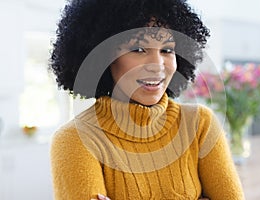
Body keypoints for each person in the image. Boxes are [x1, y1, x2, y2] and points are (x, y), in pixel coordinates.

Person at [49, 0, 245, 199]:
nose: (157, 65)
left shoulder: (199, 124)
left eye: (167, 50)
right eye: (139, 49)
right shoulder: (75, 139)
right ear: (104, 56)